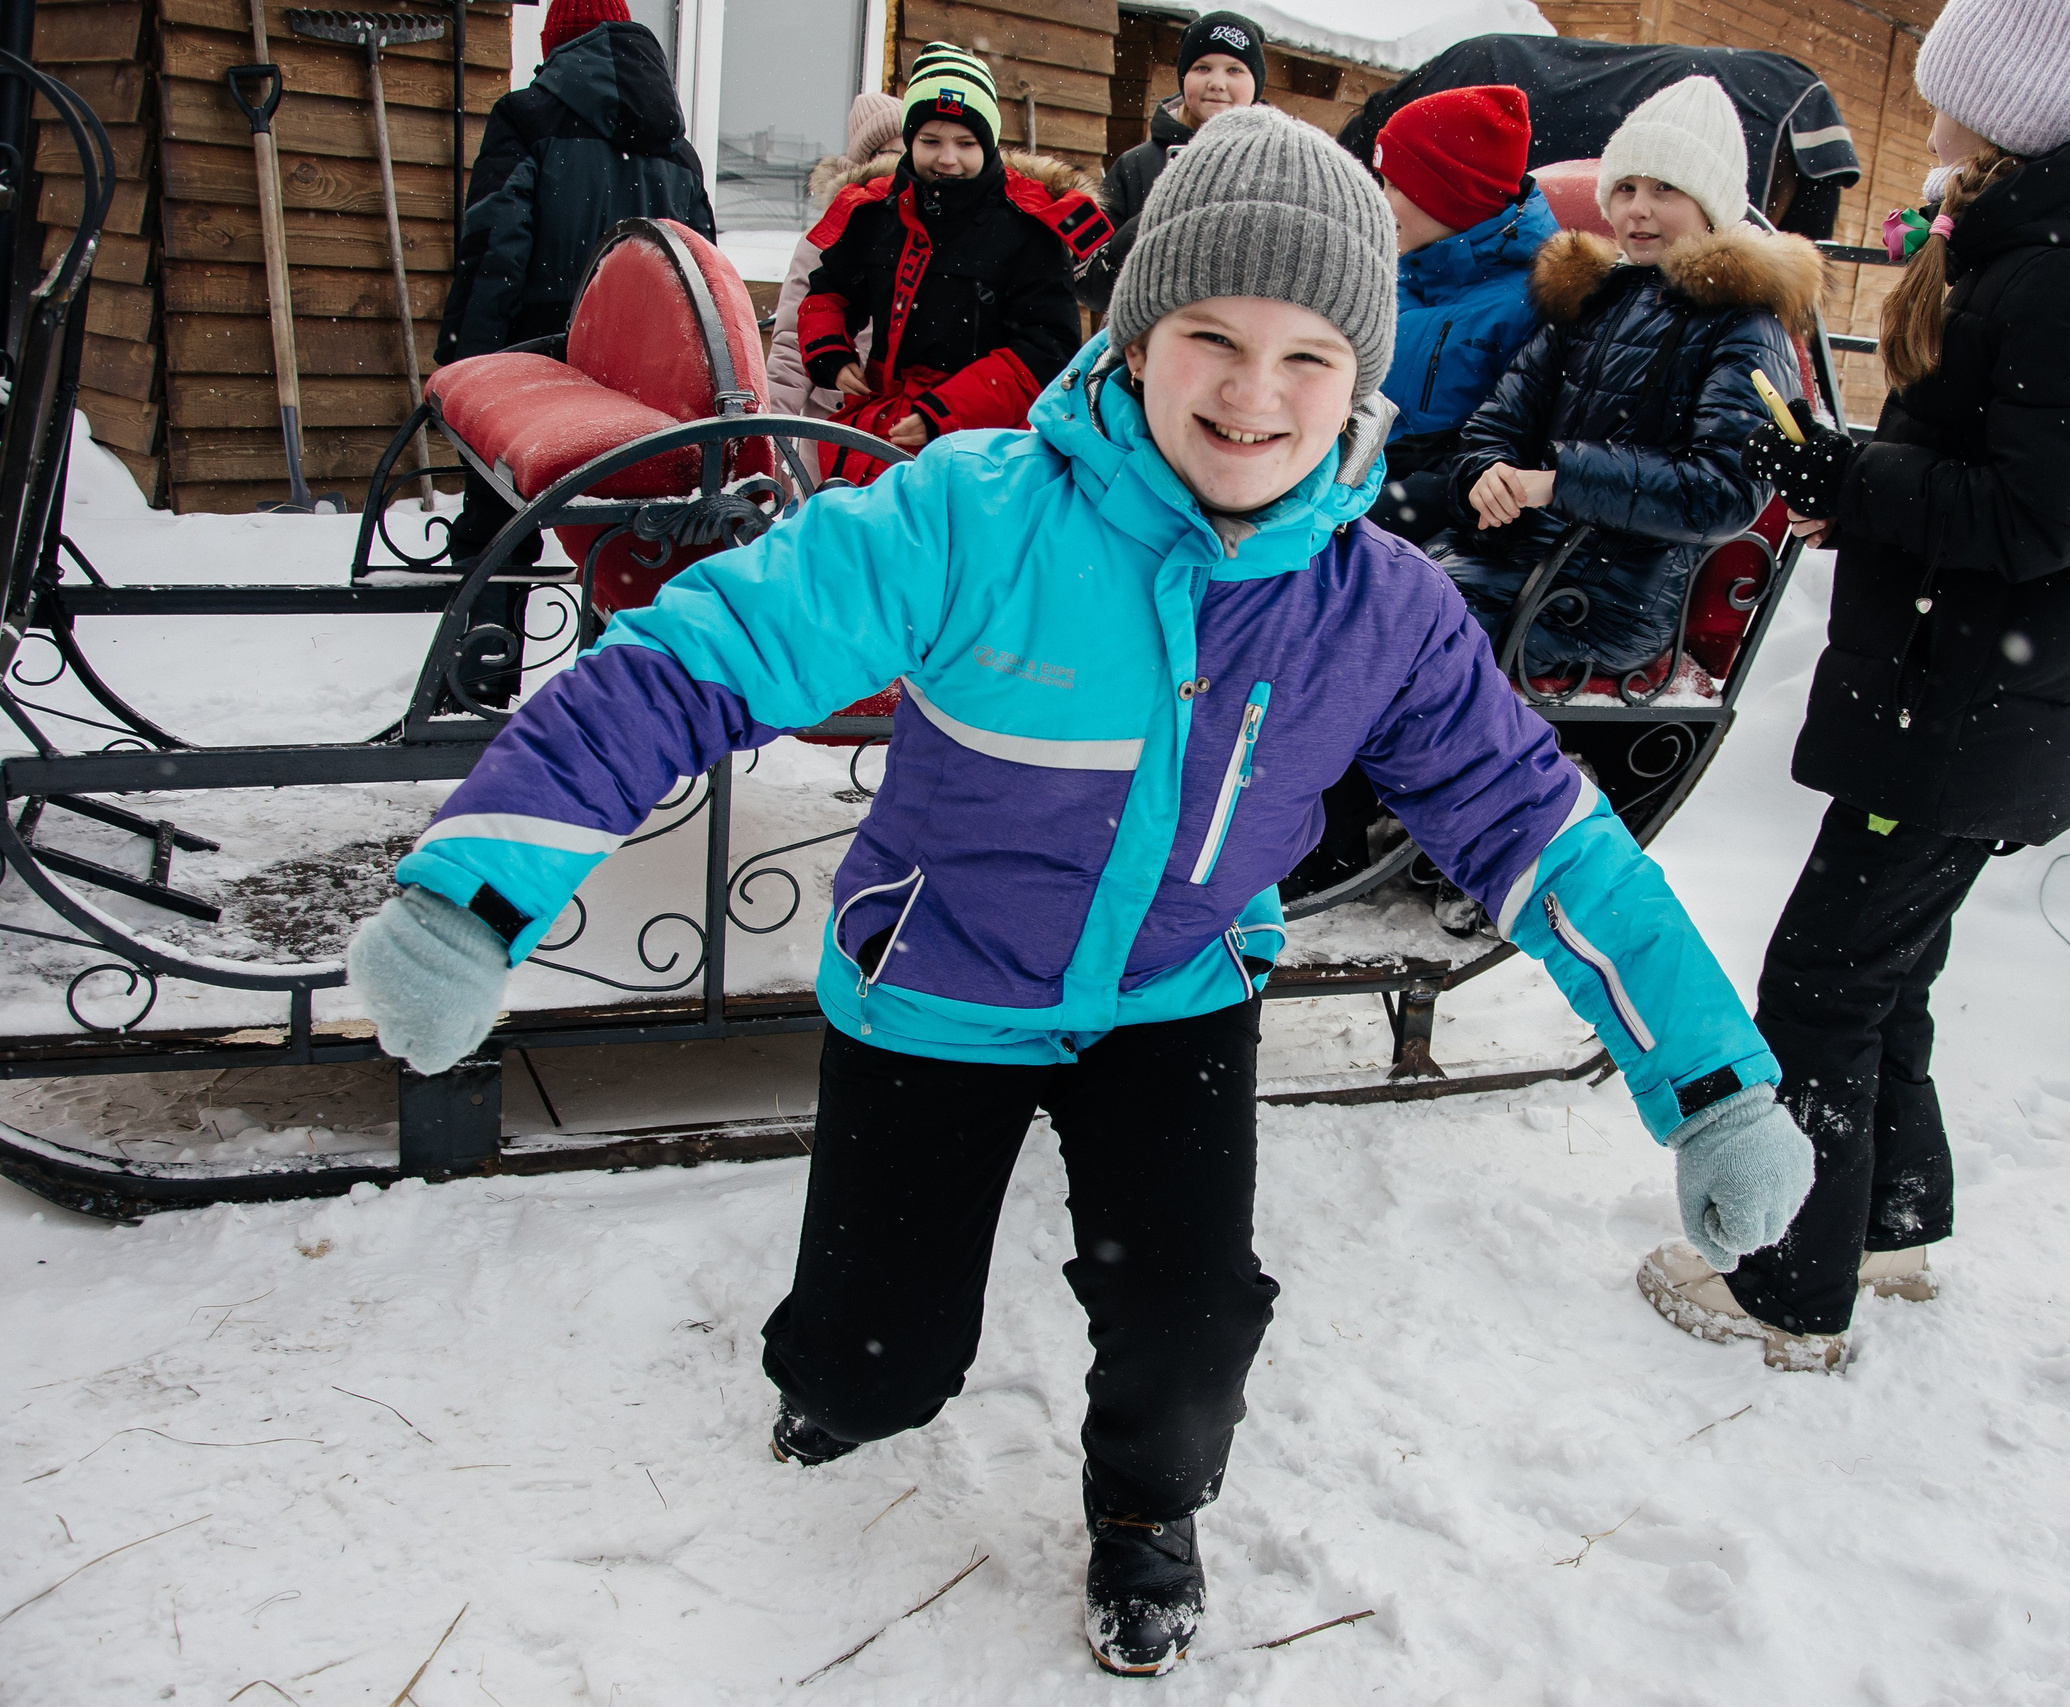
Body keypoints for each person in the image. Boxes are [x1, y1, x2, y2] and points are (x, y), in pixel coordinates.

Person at [345, 107, 1812, 1678]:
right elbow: (698, 656)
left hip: (1174, 990)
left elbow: (1547, 835)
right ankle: (841, 1383)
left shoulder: (1375, 609)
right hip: (938, 986)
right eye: (1212, 336)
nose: (1256, 394)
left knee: (1189, 1331)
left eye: (1311, 355)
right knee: (872, 1364)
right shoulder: (971, 515)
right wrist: (474, 888)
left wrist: (1711, 1081)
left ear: (1363, 382)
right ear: (1135, 331)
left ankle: (1145, 1512)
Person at [1640, 0, 2070, 1370]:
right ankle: (1891, 1227)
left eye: (1950, 90)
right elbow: (2007, 486)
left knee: (1820, 984)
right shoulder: (2042, 247)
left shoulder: (2063, 276)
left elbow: (2045, 515)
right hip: (1973, 693)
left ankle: (1790, 1289)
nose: (1931, 112)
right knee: (1887, 973)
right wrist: (1855, 490)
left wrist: (1852, 481)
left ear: (2016, 102)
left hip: (1963, 704)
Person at [1434, 75, 1824, 684]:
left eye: (1664, 188)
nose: (1636, 208)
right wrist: (1485, 476)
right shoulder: (1591, 299)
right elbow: (1498, 423)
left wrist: (1557, 483)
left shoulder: (1744, 325)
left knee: (1410, 638)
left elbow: (1724, 491)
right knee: (1347, 596)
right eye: (1625, 187)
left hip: (1611, 598)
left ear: (1711, 203)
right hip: (1507, 559)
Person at [437, 0, 711, 572]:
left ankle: (486, 655)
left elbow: (494, 250)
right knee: (626, 540)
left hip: (536, 362)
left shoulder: (526, 118)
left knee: (498, 535)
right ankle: (612, 658)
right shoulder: (676, 149)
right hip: (639, 381)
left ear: (556, 48)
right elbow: (697, 269)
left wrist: (468, 362)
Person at [793, 43, 1107, 484]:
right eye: (930, 141)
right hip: (879, 424)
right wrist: (829, 351)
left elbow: (1046, 348)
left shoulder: (1026, 226)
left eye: (966, 143)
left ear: (989, 144)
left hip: (984, 443)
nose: (947, 158)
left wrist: (944, 411)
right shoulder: (877, 210)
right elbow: (831, 291)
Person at [1367, 83, 1559, 545]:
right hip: (1354, 470)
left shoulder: (1531, 302)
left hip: (1435, 512)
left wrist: (1414, 494)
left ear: (1449, 197)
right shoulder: (1395, 272)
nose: (1379, 202)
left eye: (1394, 186)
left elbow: (1518, 438)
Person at [1077, 10, 1264, 313]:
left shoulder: (1279, 167)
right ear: (1183, 78)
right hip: (1148, 347)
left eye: (1235, 70)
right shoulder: (1135, 166)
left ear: (1257, 83)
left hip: (1245, 347)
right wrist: (1158, 218)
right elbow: (1092, 287)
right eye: (1202, 68)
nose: (1217, 82)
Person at [765, 91, 902, 418]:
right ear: (867, 162)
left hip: (904, 435)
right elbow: (792, 348)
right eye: (895, 154)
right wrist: (763, 437)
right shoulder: (828, 237)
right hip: (834, 430)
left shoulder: (932, 233)